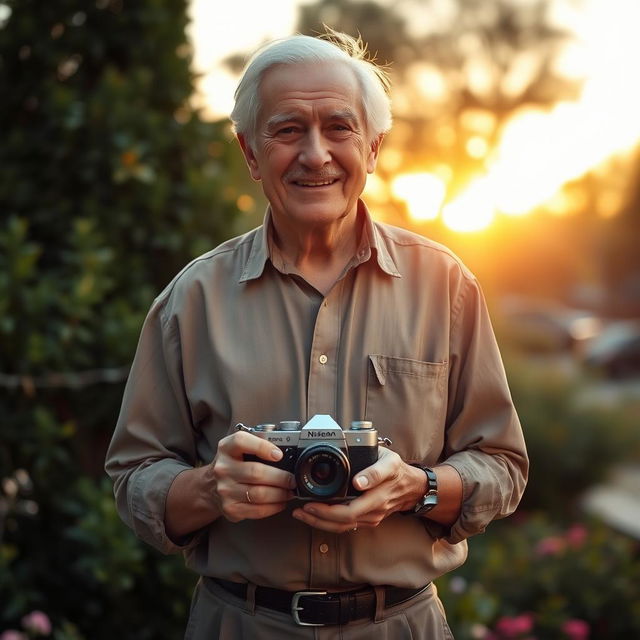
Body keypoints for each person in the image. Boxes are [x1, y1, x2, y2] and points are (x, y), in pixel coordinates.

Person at [105, 30, 528, 639]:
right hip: (239, 625)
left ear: (374, 147)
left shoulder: (446, 286)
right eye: (286, 130)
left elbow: (504, 465)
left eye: (339, 127)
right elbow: (133, 478)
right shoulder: (190, 301)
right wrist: (213, 487)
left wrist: (418, 486)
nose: (316, 154)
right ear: (250, 154)